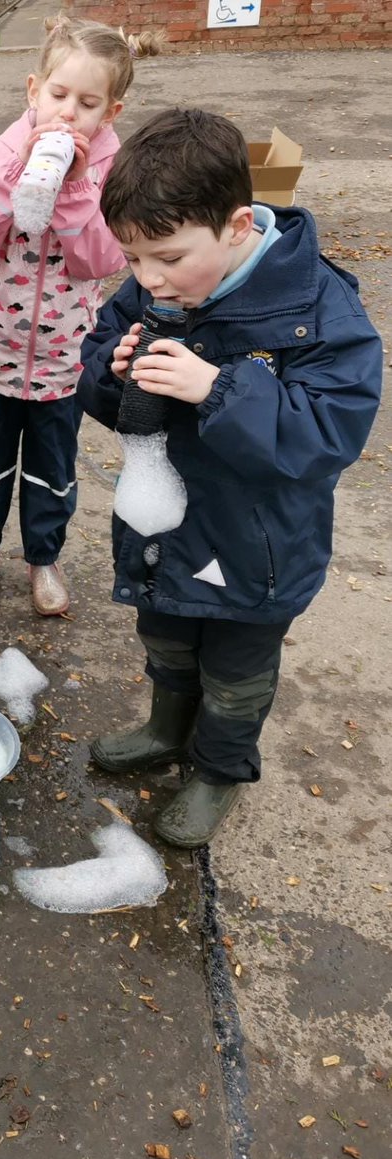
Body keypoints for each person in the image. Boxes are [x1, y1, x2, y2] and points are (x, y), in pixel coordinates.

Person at [76, 108, 382, 846]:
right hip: (168, 525)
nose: (148, 278)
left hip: (258, 547)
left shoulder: (318, 308)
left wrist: (216, 390)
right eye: (132, 258)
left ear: (238, 225)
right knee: (167, 638)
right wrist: (111, 372)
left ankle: (218, 769)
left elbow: (328, 434)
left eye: (167, 257)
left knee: (236, 672)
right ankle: (165, 729)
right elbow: (99, 358)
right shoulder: (159, 286)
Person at [0, 15, 160, 614]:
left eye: (87, 104)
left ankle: (44, 556)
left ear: (111, 112)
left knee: (52, 470)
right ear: (34, 90)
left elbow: (103, 260)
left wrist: (71, 191)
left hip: (64, 360)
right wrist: (17, 173)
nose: (68, 113)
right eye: (59, 95)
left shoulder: (113, 174)